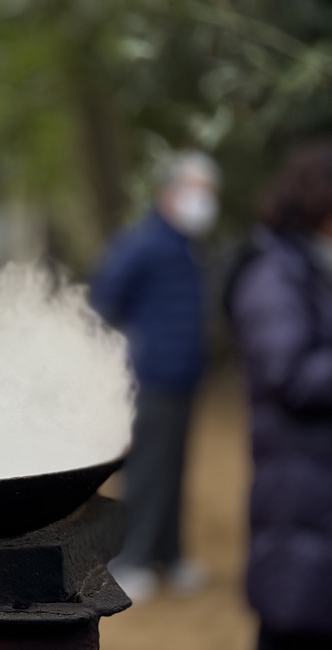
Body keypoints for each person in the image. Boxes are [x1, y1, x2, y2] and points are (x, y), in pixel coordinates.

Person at [228, 142, 332, 650]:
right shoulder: (274, 273)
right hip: (298, 476)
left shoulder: (313, 268)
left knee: (315, 610)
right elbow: (288, 371)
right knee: (293, 614)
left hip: (320, 477)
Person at [89, 150, 220, 602]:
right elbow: (104, 297)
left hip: (184, 377)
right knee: (147, 471)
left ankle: (170, 556)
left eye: (210, 192)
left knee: (175, 470)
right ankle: (132, 559)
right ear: (169, 193)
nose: (205, 200)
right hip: (150, 378)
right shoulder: (142, 242)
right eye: (198, 190)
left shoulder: (188, 246)